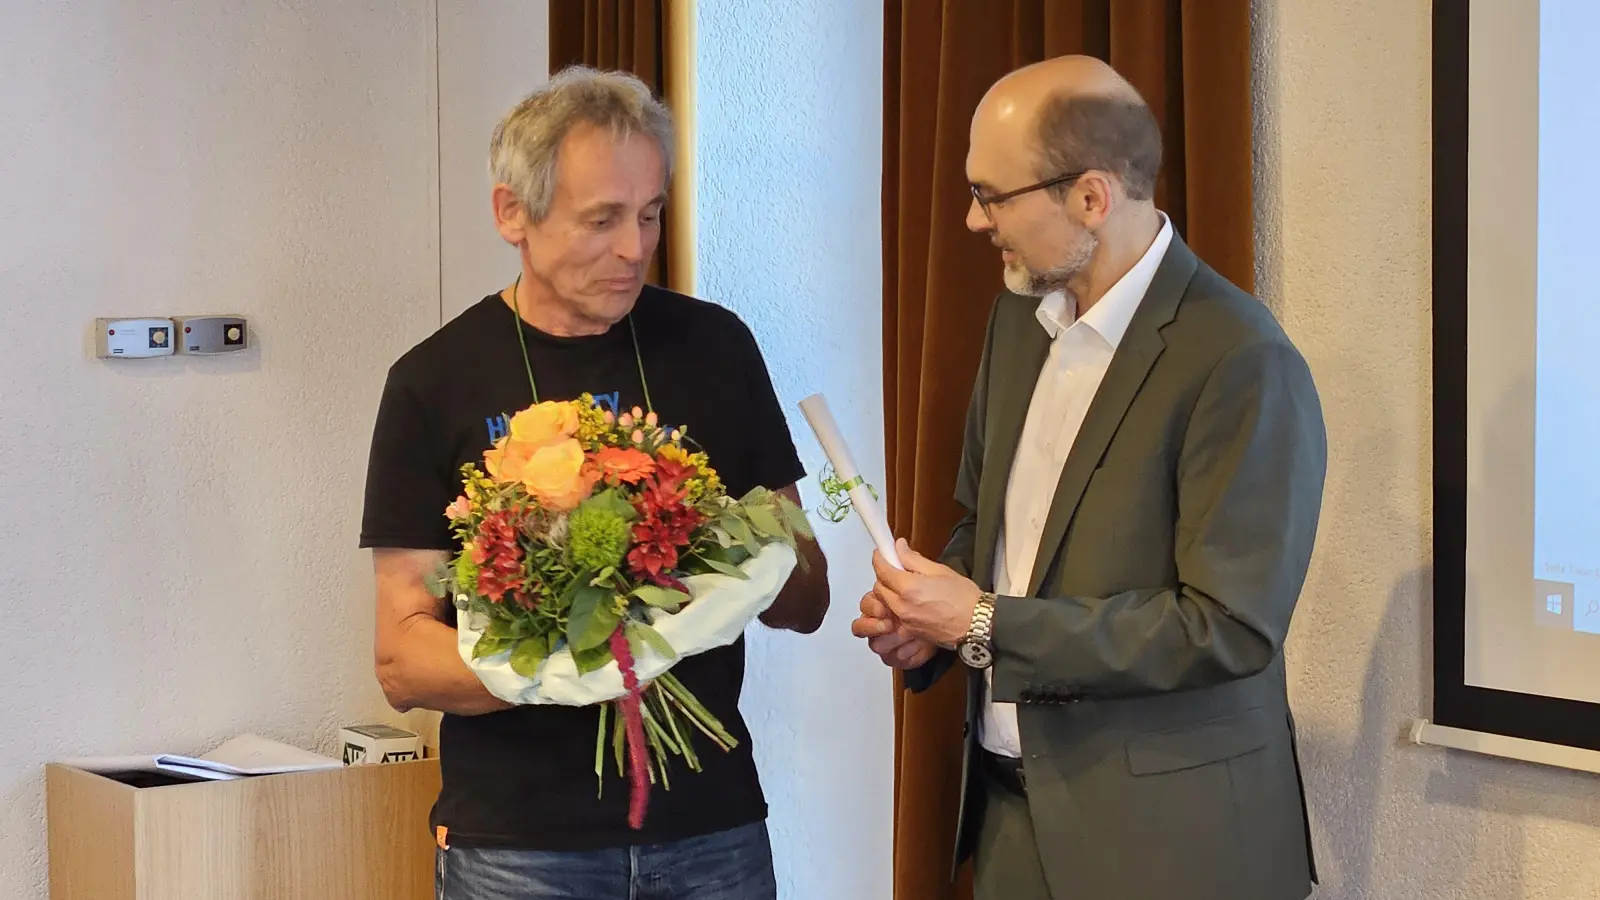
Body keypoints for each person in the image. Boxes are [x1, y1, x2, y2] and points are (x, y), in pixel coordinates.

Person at [853, 55, 1326, 900]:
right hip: (1012, 825)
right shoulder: (1017, 321)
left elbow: (1227, 626)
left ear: (1091, 198)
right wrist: (935, 615)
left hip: (1173, 851)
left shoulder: (1240, 358)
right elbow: (988, 533)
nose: (970, 221)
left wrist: (987, 622)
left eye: (991, 195)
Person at [359, 66, 830, 900]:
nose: (635, 247)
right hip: (518, 847)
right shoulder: (432, 382)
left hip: (712, 830)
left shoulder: (716, 348)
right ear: (514, 213)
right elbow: (402, 659)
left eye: (650, 215)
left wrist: (704, 554)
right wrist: (569, 663)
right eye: (602, 219)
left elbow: (807, 593)